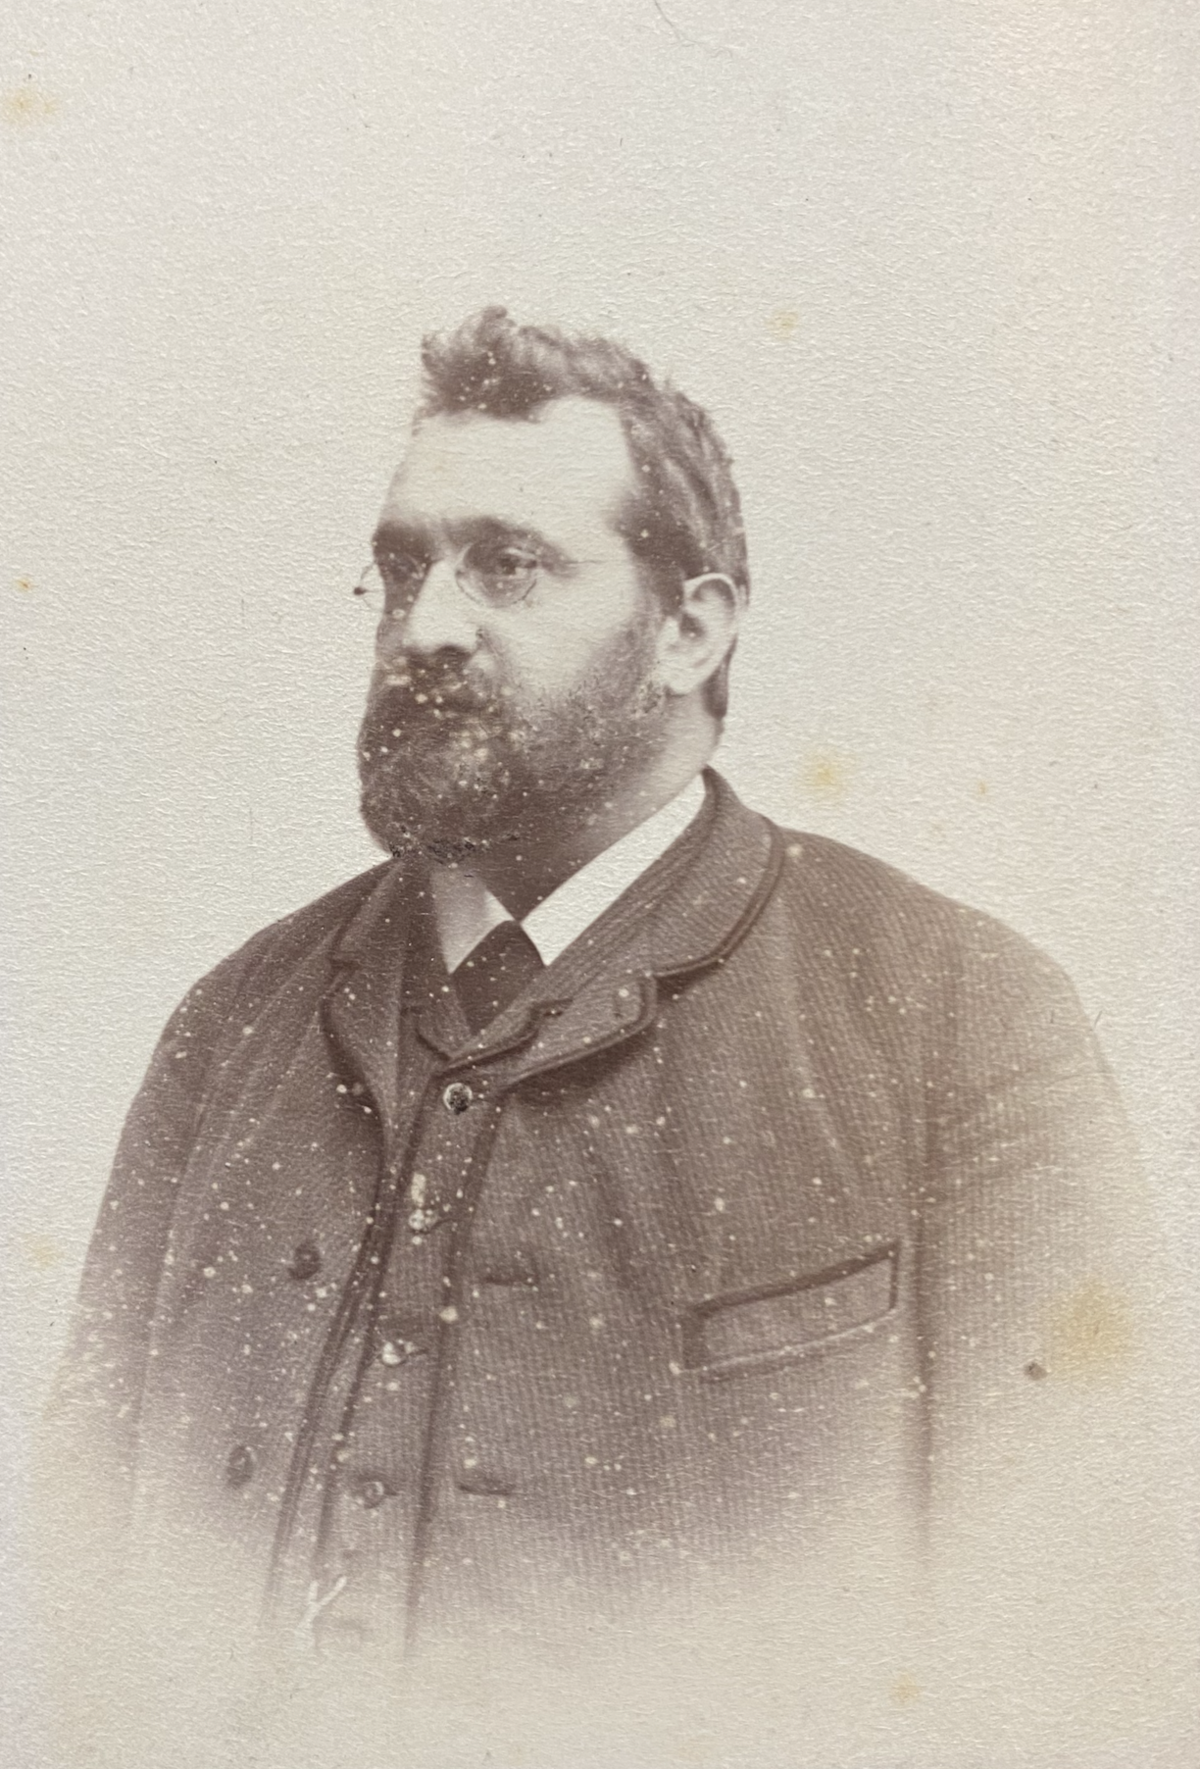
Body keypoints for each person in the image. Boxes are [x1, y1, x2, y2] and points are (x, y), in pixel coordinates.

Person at [43, 308, 1183, 1766]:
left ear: (691, 629)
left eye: (508, 564)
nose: (427, 626)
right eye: (404, 567)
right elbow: (74, 1604)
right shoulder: (231, 1029)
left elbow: (1079, 1637)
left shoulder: (960, 1017)